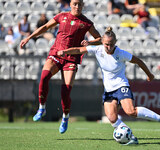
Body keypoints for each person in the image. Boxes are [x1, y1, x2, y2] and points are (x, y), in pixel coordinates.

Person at [57, 27, 160, 144]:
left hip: (121, 86)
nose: (108, 47)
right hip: (109, 90)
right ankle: (130, 137)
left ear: (115, 42)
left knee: (131, 111)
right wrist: (65, 52)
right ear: (102, 42)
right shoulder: (97, 50)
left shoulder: (121, 53)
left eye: (111, 44)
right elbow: (78, 50)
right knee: (112, 118)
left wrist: (149, 74)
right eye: (106, 44)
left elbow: (139, 61)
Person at [20, 0, 101, 134]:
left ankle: (65, 117)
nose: (77, 6)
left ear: (83, 6)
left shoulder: (86, 23)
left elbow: (100, 39)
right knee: (44, 77)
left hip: (71, 58)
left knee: (66, 90)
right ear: (70, 4)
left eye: (80, 4)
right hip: (56, 53)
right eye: (75, 4)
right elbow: (46, 27)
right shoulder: (62, 16)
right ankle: (42, 107)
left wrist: (90, 42)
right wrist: (29, 37)